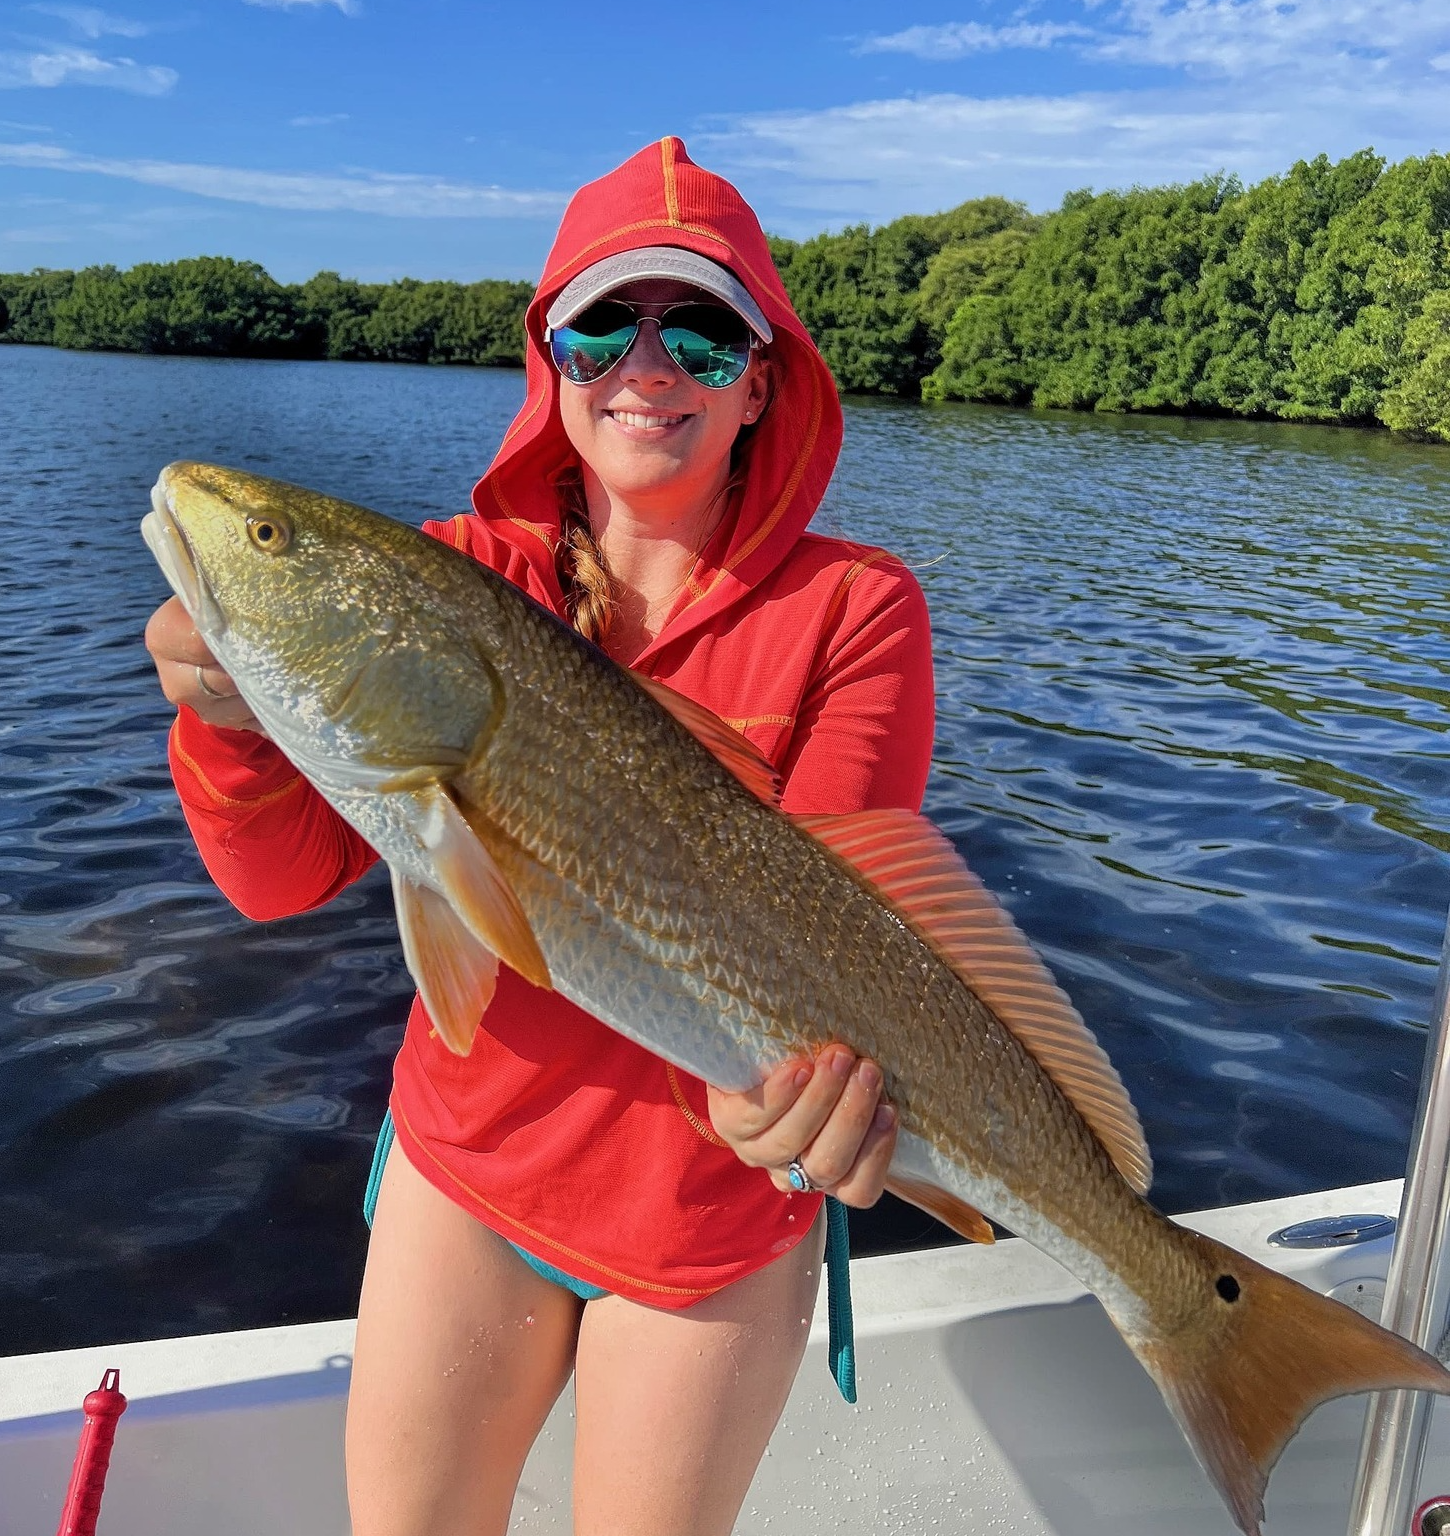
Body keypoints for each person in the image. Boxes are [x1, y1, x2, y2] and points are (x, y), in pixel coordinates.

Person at [144, 137, 936, 1536]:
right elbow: (270, 885)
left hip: (709, 1218)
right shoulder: (450, 583)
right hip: (470, 1171)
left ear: (763, 382)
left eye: (699, 331)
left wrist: (811, 1111)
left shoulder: (858, 611)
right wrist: (233, 719)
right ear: (548, 362)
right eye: (600, 326)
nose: (647, 368)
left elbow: (838, 920)